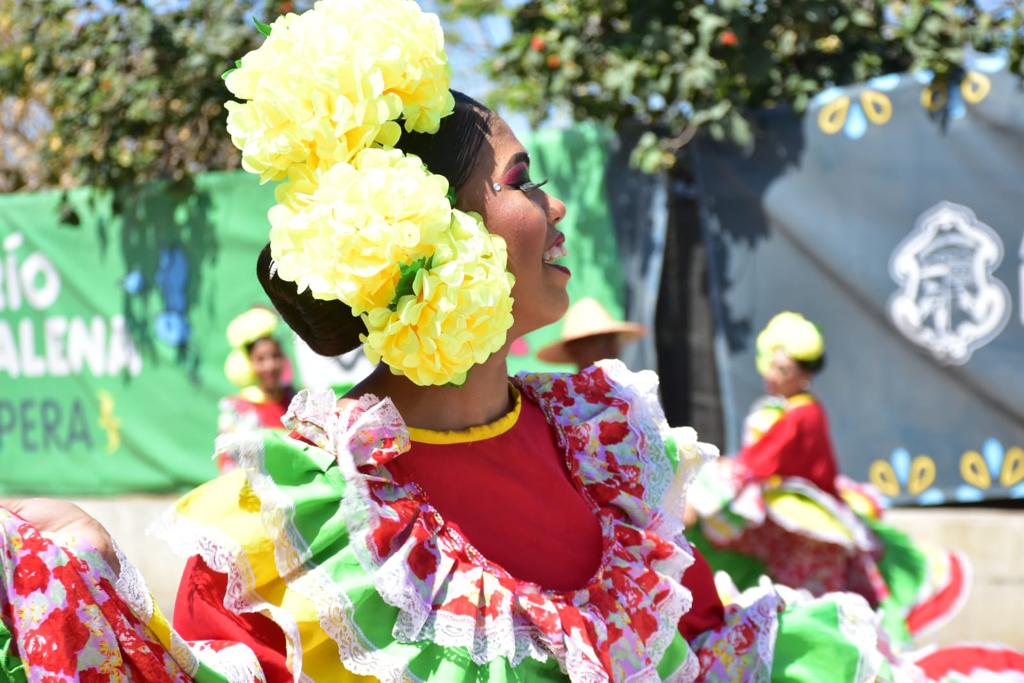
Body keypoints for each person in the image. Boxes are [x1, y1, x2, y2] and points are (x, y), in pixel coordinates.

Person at [0, 3, 1019, 681]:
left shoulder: (612, 451)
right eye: (523, 178)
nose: (559, 206)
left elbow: (706, 647)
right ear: (430, 232)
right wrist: (71, 562)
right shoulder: (290, 529)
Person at [686, 312, 970, 645]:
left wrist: (699, 499)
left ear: (804, 376)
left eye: (784, 371)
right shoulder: (789, 409)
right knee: (793, 607)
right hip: (792, 530)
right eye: (772, 366)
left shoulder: (802, 415)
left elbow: (756, 463)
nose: (772, 376)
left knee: (815, 616)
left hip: (812, 534)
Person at [216, 307, 297, 472]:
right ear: (248, 363)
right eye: (260, 359)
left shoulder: (296, 402)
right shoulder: (236, 411)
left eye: (275, 356)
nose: (270, 365)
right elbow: (229, 464)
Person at [536, 297, 646, 371]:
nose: (612, 348)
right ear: (575, 349)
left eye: (612, 339)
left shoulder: (630, 393)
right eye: (601, 341)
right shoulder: (558, 401)